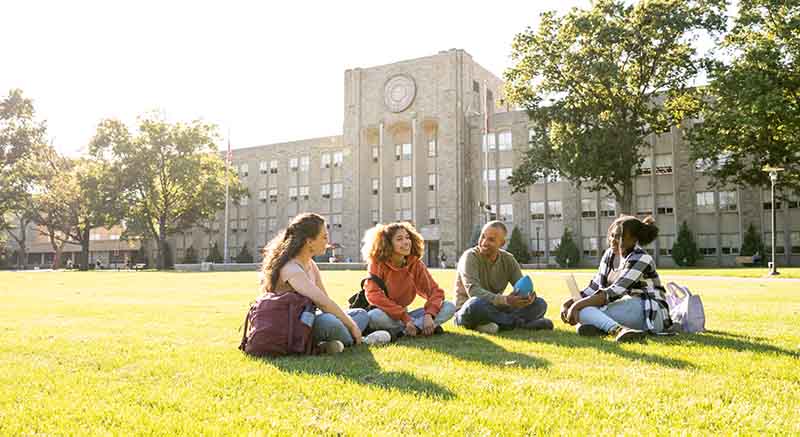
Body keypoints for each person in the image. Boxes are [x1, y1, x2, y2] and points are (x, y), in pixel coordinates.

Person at [261, 213, 391, 354]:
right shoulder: (291, 268)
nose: (327, 241)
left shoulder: (310, 264)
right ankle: (361, 340)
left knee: (360, 314)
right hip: (294, 326)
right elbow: (322, 303)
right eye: (324, 237)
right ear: (309, 241)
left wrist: (347, 321)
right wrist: (352, 326)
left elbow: (325, 299)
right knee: (331, 322)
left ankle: (326, 344)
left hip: (309, 319)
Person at [561, 215, 672, 342]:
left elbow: (615, 291)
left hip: (649, 311)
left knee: (583, 312)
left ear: (634, 239)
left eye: (619, 237)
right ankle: (608, 328)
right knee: (585, 311)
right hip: (628, 308)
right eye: (612, 235)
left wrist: (576, 307)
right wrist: (568, 304)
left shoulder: (641, 258)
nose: (613, 240)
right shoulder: (609, 254)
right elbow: (595, 286)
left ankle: (618, 330)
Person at [453, 221, 553, 334]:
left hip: (496, 309)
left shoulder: (508, 259)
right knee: (476, 304)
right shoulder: (470, 257)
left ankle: (496, 324)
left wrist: (527, 298)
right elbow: (474, 292)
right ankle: (520, 324)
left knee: (539, 304)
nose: (484, 242)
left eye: (491, 239)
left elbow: (520, 288)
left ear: (502, 243)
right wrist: (505, 300)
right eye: (483, 236)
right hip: (468, 310)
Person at [362, 222, 456, 338]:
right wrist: (405, 318)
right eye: (399, 239)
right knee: (374, 317)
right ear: (388, 244)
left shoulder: (415, 263)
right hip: (389, 314)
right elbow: (373, 295)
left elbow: (435, 291)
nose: (406, 242)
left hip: (406, 316)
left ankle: (406, 331)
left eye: (407, 238)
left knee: (449, 306)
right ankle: (418, 328)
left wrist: (429, 315)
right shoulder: (377, 263)